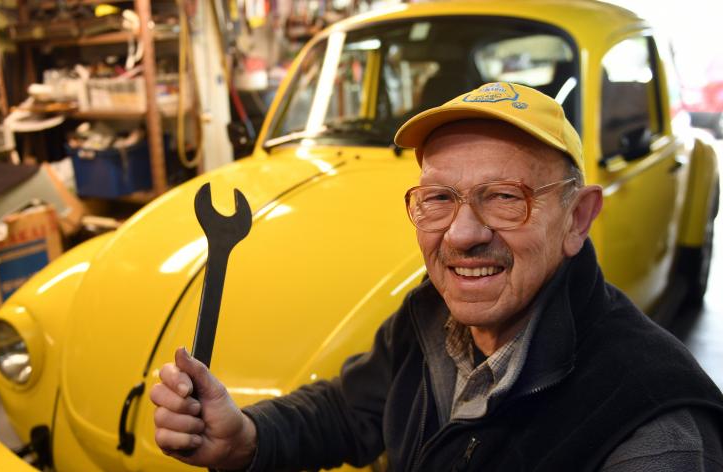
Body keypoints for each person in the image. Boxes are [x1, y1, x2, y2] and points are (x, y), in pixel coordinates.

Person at [150, 82, 723, 470]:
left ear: (578, 218)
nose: (460, 234)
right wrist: (247, 438)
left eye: (504, 197)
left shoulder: (652, 426)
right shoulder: (430, 317)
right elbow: (353, 409)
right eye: (439, 198)